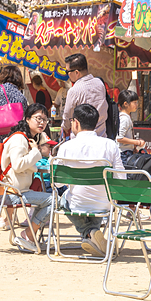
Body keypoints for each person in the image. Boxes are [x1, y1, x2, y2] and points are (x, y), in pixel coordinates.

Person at [52, 103, 124, 257]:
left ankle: (89, 233)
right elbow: (120, 177)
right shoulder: (110, 145)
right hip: (104, 204)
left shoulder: (66, 147)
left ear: (76, 123)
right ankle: (93, 235)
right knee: (92, 197)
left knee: (64, 199)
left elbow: (57, 183)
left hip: (77, 203)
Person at [0, 103, 52, 250]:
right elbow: (18, 165)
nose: (42, 122)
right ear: (27, 119)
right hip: (12, 193)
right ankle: (28, 235)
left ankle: (29, 235)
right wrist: (35, 152)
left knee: (48, 199)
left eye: (45, 119)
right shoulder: (19, 139)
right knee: (53, 200)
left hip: (14, 191)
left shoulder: (26, 138)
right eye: (38, 118)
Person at [60, 53, 108, 139]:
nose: (67, 74)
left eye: (67, 71)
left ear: (76, 72)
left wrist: (65, 127)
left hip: (80, 139)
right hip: (101, 136)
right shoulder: (100, 83)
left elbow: (68, 115)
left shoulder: (74, 90)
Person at [116, 89, 146, 159]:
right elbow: (119, 138)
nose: (137, 104)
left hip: (127, 152)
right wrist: (137, 142)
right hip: (123, 153)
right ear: (126, 104)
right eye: (134, 102)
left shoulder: (126, 117)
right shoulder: (124, 119)